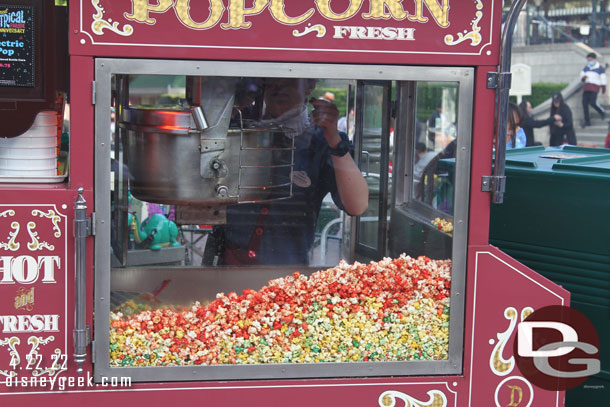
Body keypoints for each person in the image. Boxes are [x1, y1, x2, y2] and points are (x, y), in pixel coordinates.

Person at [211, 78, 369, 266]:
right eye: (271, 80)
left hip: (288, 273)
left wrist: (334, 140)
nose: (278, 86)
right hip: (229, 265)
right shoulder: (237, 126)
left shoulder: (323, 140)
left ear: (310, 86)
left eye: (290, 80)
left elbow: (357, 206)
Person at [580, 52, 606, 128]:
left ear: (595, 59)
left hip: (595, 88)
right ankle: (587, 121)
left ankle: (602, 111)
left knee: (592, 103)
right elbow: (581, 77)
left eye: (591, 60)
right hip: (586, 87)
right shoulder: (586, 68)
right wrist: (583, 78)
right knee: (584, 104)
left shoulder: (600, 68)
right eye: (588, 60)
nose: (589, 62)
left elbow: (603, 80)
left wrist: (603, 91)